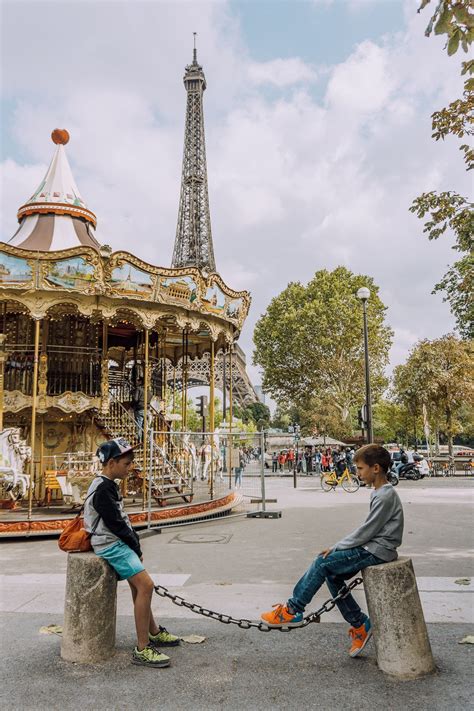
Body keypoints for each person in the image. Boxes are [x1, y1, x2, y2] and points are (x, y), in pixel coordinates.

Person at [260, 444, 404, 657]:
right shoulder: (381, 492)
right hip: (374, 547)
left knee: (322, 563)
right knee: (332, 576)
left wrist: (337, 546)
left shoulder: (384, 495)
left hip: (376, 550)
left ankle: (292, 610)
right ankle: (359, 624)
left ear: (375, 468)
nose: (357, 473)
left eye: (361, 468)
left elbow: (367, 531)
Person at [84, 438, 180, 668]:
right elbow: (116, 523)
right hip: (111, 544)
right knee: (146, 586)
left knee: (139, 586)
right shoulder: (103, 488)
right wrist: (135, 547)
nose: (129, 468)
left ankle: (154, 631)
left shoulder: (106, 484)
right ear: (112, 462)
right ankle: (142, 648)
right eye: (126, 464)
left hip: (115, 541)